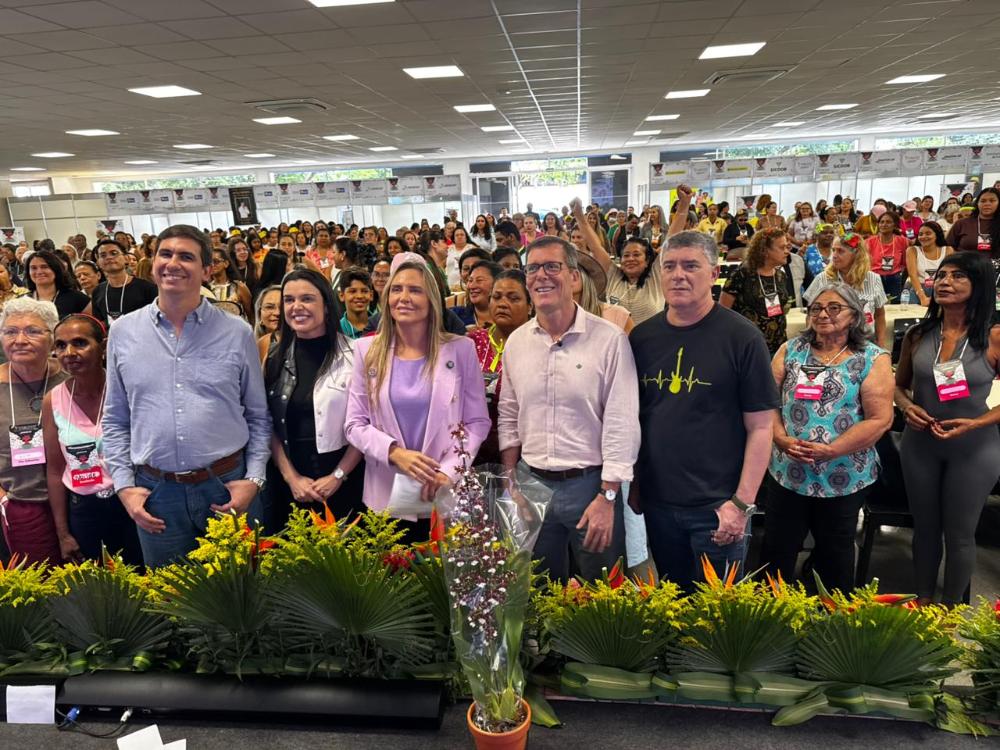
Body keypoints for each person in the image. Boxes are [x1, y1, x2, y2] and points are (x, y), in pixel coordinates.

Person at [629, 186, 778, 591]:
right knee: (674, 604)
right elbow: (636, 419)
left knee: (718, 618)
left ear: (714, 274)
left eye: (691, 266)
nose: (679, 275)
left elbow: (762, 427)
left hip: (718, 507)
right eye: (670, 265)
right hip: (659, 504)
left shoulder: (741, 338)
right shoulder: (642, 338)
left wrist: (741, 504)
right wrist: (638, 486)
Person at [103, 225, 271, 568]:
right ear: (152, 264)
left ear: (207, 270)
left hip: (227, 486)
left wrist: (253, 479)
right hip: (156, 494)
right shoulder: (123, 332)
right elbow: (116, 418)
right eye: (165, 254)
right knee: (171, 601)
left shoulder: (235, 332)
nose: (172, 263)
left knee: (245, 594)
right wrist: (123, 486)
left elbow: (257, 414)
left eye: (186, 257)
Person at [498, 236, 639, 582]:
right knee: (541, 590)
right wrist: (512, 482)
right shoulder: (517, 343)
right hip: (532, 485)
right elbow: (508, 414)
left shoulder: (609, 340)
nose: (541, 276)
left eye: (552, 266)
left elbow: (622, 421)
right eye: (532, 268)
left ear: (574, 277)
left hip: (590, 485)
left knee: (601, 592)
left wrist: (608, 496)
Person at [344, 252, 490, 539]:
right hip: (386, 498)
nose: (404, 297)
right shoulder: (366, 350)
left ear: (431, 299)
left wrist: (450, 471)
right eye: (396, 289)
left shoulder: (460, 349)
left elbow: (477, 422)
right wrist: (394, 453)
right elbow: (354, 424)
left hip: (444, 493)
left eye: (415, 290)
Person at [764, 284, 893, 594]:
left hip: (843, 476)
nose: (823, 314)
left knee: (835, 553)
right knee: (777, 550)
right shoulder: (791, 349)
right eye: (816, 308)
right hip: (788, 473)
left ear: (854, 316)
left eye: (834, 308)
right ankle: (769, 619)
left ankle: (830, 626)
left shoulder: (872, 358)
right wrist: (780, 438)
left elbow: (880, 419)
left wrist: (832, 450)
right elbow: (765, 401)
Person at [895, 252, 1000, 605]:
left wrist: (977, 422)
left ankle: (952, 611)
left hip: (974, 447)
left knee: (959, 535)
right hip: (921, 444)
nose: (944, 282)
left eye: (957, 276)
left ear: (979, 285)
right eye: (941, 275)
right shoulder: (918, 334)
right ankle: (925, 604)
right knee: (924, 529)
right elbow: (898, 387)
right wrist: (907, 407)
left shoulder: (994, 337)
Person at [265, 269, 365, 532]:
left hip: (345, 479)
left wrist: (338, 476)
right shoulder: (275, 358)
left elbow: (368, 423)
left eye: (307, 299)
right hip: (292, 483)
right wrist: (292, 478)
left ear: (326, 305)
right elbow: (267, 424)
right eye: (288, 300)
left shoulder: (355, 354)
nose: (296, 307)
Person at [42, 315, 142, 565]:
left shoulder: (129, 390)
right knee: (99, 593)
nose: (69, 352)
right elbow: (55, 472)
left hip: (133, 503)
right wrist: (62, 533)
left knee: (145, 583)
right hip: (85, 510)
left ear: (104, 346)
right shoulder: (52, 401)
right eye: (61, 345)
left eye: (80, 343)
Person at [0, 298, 67, 563]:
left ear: (52, 338)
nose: (20, 339)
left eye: (32, 331)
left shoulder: (72, 378)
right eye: (10, 331)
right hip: (21, 503)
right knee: (40, 589)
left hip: (79, 499)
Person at [571, 198, 673, 325]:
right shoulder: (613, 275)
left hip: (649, 343)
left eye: (636, 255)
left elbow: (671, 240)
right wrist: (579, 216)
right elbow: (596, 247)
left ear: (647, 261)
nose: (630, 259)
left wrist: (684, 205)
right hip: (616, 343)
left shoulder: (655, 278)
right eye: (626, 255)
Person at [467, 269, 532, 466]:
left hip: (525, 452)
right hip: (475, 450)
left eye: (513, 298)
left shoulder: (539, 346)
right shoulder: (471, 343)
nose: (503, 304)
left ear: (530, 306)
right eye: (496, 297)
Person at [804, 233, 888, 350]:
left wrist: (881, 344)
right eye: (833, 250)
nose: (834, 255)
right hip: (830, 344)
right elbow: (810, 315)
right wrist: (812, 342)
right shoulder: (822, 279)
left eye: (840, 251)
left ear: (856, 255)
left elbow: (880, 315)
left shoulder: (873, 279)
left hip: (866, 344)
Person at [720, 228, 792, 355]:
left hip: (777, 347)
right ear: (765, 250)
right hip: (747, 347)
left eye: (787, 247)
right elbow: (723, 312)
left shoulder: (781, 275)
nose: (787, 251)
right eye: (782, 248)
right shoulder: (742, 274)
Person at [91, 239, 158, 328]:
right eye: (103, 255)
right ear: (98, 262)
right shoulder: (97, 291)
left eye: (114, 253)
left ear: (126, 258)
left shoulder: (147, 288)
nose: (109, 257)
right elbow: (99, 323)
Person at [26, 250, 90, 319]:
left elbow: (93, 326)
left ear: (56, 269)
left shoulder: (77, 298)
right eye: (33, 268)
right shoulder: (24, 301)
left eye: (44, 267)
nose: (39, 272)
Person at [906, 221, 952, 306]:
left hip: (941, 289)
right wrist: (922, 297)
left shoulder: (948, 250)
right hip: (918, 290)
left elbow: (950, 274)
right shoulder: (912, 250)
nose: (923, 237)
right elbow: (912, 275)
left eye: (928, 233)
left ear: (936, 235)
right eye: (920, 234)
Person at [866, 210, 909, 300]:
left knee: (894, 309)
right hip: (874, 278)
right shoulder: (870, 241)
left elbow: (905, 263)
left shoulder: (902, 241)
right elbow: (865, 263)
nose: (884, 224)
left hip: (894, 279)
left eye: (888, 222)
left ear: (895, 225)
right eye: (882, 222)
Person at [946, 187, 999, 257]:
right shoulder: (961, 223)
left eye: (992, 201)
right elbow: (948, 247)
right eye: (983, 201)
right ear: (977, 203)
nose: (987, 204)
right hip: (963, 265)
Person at [209, 247, 254, 322]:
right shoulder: (205, 289)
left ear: (226, 264)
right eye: (209, 262)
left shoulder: (239, 287)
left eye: (216, 261)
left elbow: (250, 315)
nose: (212, 265)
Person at [453, 261, 498, 329]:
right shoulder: (455, 316)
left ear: (496, 283)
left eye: (479, 280)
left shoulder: (508, 318)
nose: (472, 286)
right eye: (470, 280)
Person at [338, 268, 376, 339]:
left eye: (364, 291)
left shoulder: (382, 325)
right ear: (342, 296)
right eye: (352, 291)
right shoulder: (336, 331)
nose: (359, 296)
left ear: (371, 295)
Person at [255, 285, 282, 363]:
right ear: (259, 315)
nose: (277, 313)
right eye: (269, 307)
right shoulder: (251, 346)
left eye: (282, 307)